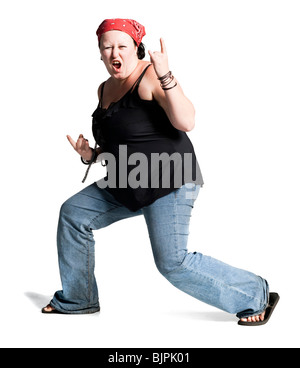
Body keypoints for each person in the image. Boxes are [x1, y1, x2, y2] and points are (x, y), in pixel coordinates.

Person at [42, 19, 279, 325]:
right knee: (73, 213)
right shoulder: (104, 89)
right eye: (107, 47)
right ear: (100, 52)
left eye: (122, 46)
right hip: (128, 180)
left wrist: (166, 73)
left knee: (172, 262)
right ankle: (79, 299)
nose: (115, 52)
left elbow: (186, 121)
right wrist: (92, 155)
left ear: (135, 47)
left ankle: (255, 295)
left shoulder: (150, 75)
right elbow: (124, 142)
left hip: (170, 179)